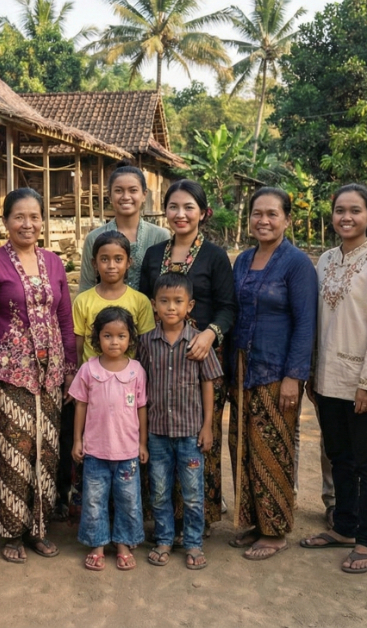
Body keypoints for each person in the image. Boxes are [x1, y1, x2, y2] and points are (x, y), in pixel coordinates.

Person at [0, 188, 77, 564]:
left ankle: (39, 528)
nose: (27, 224)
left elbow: (65, 318)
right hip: (7, 377)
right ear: (6, 222)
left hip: (49, 379)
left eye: (34, 216)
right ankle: (11, 532)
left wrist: (69, 372)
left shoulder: (54, 262)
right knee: (11, 455)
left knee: (46, 453)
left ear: (42, 221)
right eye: (19, 217)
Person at [299, 184, 367, 575]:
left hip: (362, 384)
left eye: (355, 211)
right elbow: (316, 321)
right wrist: (310, 373)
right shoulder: (324, 260)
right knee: (338, 456)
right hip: (327, 381)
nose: (346, 217)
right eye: (340, 210)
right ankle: (343, 527)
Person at [227, 187, 318, 561]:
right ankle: (253, 521)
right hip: (242, 369)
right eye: (257, 214)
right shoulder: (242, 260)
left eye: (272, 214)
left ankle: (275, 530)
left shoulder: (296, 264)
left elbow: (306, 323)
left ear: (287, 220)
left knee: (273, 450)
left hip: (276, 371)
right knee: (243, 447)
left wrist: (295, 376)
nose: (263, 220)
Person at [140, 180, 236, 531]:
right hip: (161, 363)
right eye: (174, 207)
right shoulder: (154, 255)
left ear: (202, 212)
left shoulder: (214, 255)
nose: (181, 214)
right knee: (161, 437)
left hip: (200, 361)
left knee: (199, 437)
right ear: (165, 211)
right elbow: (142, 305)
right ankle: (165, 522)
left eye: (189, 207)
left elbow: (228, 307)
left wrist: (210, 335)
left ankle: (199, 520)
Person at [139, 272, 223, 571]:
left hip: (190, 433)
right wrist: (143, 436)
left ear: (190, 306)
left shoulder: (199, 343)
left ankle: (193, 543)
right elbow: (141, 390)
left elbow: (208, 384)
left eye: (178, 302)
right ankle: (163, 539)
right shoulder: (146, 343)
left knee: (192, 493)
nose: (171, 307)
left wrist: (207, 425)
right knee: (159, 491)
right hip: (158, 434)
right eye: (164, 301)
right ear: (154, 305)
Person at [69, 307, 148, 572]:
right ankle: (98, 545)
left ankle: (124, 544)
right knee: (94, 500)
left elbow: (141, 408)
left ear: (130, 338)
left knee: (128, 499)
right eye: (107, 336)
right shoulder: (89, 370)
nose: (114, 342)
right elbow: (80, 405)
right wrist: (77, 441)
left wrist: (142, 443)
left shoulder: (136, 371)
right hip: (95, 452)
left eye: (121, 336)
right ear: (97, 339)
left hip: (127, 453)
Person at [78, 162, 171, 293]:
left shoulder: (160, 237)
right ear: (109, 195)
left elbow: (168, 286)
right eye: (118, 191)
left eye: (133, 190)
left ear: (144, 194)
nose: (126, 197)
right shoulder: (94, 238)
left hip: (149, 312)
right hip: (104, 312)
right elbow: (86, 288)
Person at [73, 230, 156, 363]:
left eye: (118, 259)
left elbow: (146, 346)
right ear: (95, 263)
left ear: (128, 262)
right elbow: (78, 348)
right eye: (104, 259)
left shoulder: (140, 301)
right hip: (91, 379)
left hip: (129, 379)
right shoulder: (82, 301)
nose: (111, 266)